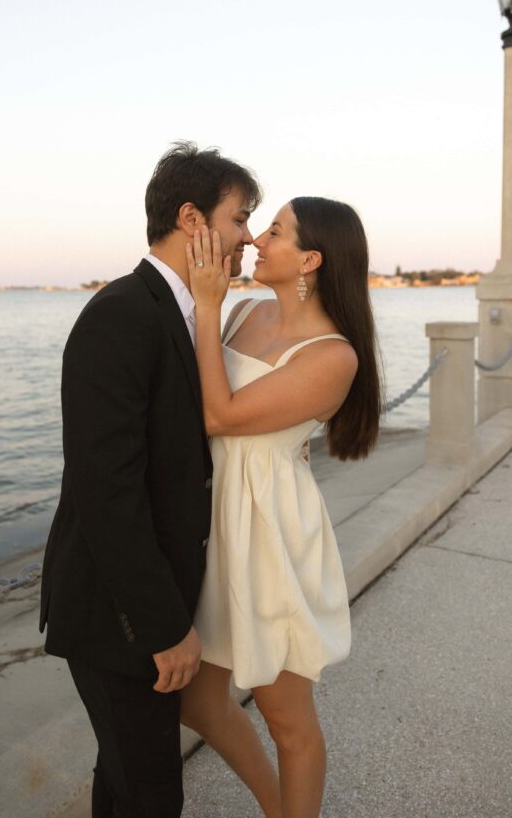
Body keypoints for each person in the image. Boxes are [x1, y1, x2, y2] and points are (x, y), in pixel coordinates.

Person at [39, 142, 261, 818]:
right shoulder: (121, 315)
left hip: (155, 600)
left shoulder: (192, 315)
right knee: (152, 793)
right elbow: (106, 492)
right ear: (192, 219)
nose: (248, 235)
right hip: (119, 615)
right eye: (240, 217)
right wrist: (164, 628)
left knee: (128, 780)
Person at [180, 196, 381, 818]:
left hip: (267, 532)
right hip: (213, 519)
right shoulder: (243, 310)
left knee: (286, 718)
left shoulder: (333, 355)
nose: (256, 241)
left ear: (311, 260)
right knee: (198, 699)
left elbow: (221, 416)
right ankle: (277, 806)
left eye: (275, 232)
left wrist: (205, 304)